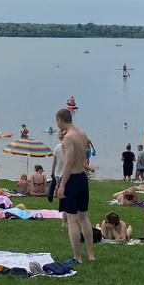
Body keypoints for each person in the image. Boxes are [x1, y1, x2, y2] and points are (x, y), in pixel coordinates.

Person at [55, 106, 95, 262]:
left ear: (60, 121)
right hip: (82, 178)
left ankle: (77, 256)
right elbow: (80, 155)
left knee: (72, 219)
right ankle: (90, 254)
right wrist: (62, 142)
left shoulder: (69, 137)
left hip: (71, 178)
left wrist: (62, 184)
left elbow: (69, 161)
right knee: (84, 217)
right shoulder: (82, 133)